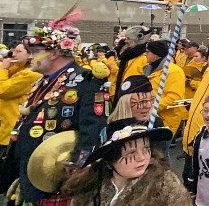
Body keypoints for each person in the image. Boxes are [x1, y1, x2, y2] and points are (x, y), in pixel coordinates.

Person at [8, 24, 109, 204]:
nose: (30, 56)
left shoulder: (87, 81)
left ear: (54, 53)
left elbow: (92, 134)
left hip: (58, 183)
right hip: (32, 175)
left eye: (35, 51)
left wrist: (77, 173)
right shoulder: (43, 81)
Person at [62, 118, 191, 206]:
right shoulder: (90, 187)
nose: (142, 157)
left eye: (146, 149)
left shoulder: (165, 186)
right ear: (109, 159)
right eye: (131, 153)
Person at [0, 43, 41, 148]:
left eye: (18, 52)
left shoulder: (30, 74)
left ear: (31, 54)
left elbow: (3, 91)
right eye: (13, 51)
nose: (13, 54)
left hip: (10, 130)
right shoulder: (15, 68)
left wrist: (3, 69)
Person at [143, 40, 186, 137]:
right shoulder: (148, 69)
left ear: (156, 54)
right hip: (148, 117)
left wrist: (150, 107)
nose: (145, 54)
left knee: (159, 151)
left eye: (148, 51)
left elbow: (174, 98)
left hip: (164, 121)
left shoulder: (174, 72)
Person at [112, 26, 151, 101]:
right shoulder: (129, 56)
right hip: (125, 96)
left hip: (134, 100)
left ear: (139, 38)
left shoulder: (144, 58)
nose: (125, 41)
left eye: (128, 38)